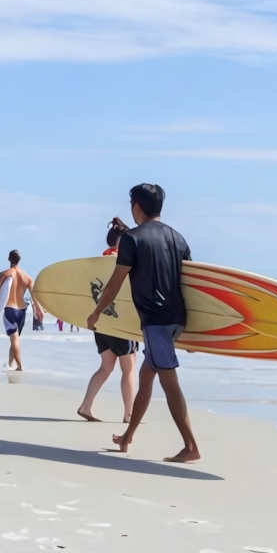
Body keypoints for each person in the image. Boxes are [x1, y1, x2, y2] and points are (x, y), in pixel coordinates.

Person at [88, 184, 200, 463]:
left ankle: (190, 446)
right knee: (146, 376)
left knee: (169, 383)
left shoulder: (131, 239)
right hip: (176, 320)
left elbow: (116, 281)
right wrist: (195, 333)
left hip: (155, 323)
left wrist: (97, 312)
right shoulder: (179, 239)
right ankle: (128, 436)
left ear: (136, 206)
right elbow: (193, 286)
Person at [77, 217, 139, 423]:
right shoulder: (124, 260)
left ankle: (86, 406)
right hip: (120, 323)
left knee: (105, 367)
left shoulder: (100, 262)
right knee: (129, 369)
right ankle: (129, 414)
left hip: (101, 323)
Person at [0, 250, 43, 372]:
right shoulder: (27, 277)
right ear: (19, 260)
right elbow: (34, 297)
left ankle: (19, 367)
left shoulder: (4, 274)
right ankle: (10, 364)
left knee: (15, 340)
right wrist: (39, 311)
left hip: (10, 310)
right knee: (15, 340)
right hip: (22, 311)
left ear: (9, 258)